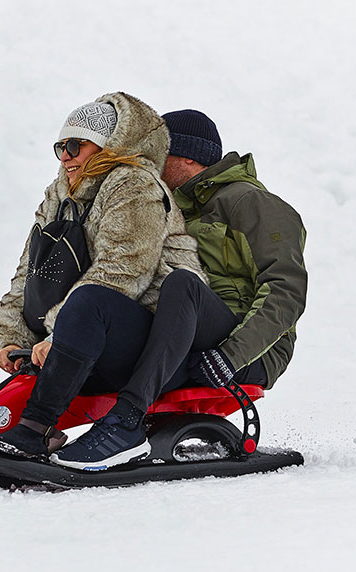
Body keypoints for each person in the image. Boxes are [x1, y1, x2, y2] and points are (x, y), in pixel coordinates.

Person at [0, 92, 205, 459]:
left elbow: (123, 273)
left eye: (75, 145)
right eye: (60, 147)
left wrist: (57, 334)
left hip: (143, 341)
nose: (66, 156)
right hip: (82, 332)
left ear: (108, 147)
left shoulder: (136, 186)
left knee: (90, 301)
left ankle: (35, 429)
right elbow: (29, 274)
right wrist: (9, 337)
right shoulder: (60, 195)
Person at [48, 109, 308, 470]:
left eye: (159, 154)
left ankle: (126, 423)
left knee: (183, 282)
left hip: (247, 348)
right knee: (100, 305)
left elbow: (287, 291)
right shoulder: (165, 207)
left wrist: (232, 356)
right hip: (181, 334)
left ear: (188, 155)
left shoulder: (250, 203)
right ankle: (38, 424)